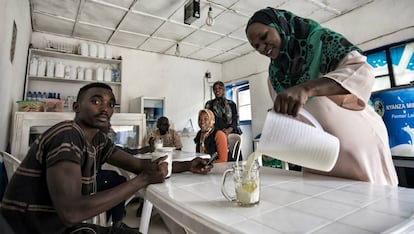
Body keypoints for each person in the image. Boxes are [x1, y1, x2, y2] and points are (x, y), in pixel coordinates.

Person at [0, 82, 212, 234]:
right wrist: (142, 180)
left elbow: (139, 164)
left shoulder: (98, 141)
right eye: (96, 101)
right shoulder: (67, 134)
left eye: (111, 104)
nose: (105, 108)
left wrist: (187, 165)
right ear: (76, 107)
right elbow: (72, 212)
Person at [245, 7, 398, 186]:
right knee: (325, 206)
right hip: (319, 155)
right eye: (256, 46)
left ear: (280, 25)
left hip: (358, 148)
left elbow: (361, 73)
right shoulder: (275, 76)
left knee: (373, 203)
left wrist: (308, 88)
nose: (262, 47)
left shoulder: (322, 42)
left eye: (264, 37)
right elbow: (292, 117)